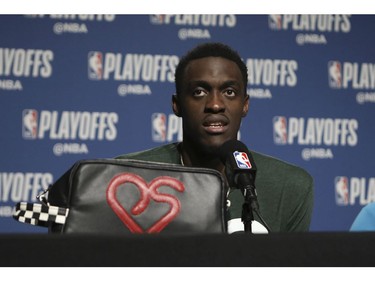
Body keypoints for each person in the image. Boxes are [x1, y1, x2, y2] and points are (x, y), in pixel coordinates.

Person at [116, 42, 314, 233]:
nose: (215, 104)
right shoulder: (128, 176)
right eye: (199, 92)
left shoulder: (290, 186)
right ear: (177, 105)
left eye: (229, 92)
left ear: (245, 105)